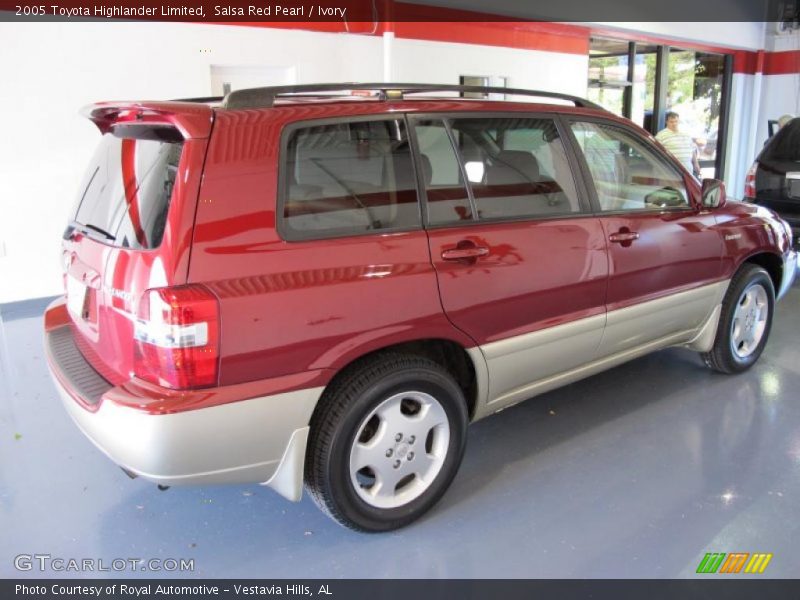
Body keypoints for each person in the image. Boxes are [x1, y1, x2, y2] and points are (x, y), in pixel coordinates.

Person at [655, 111, 701, 178]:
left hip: (687, 170)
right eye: (671, 122)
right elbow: (656, 152)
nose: (674, 124)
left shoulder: (685, 134)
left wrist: (696, 163)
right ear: (666, 122)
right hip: (671, 171)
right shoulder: (661, 135)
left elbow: (692, 149)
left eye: (676, 121)